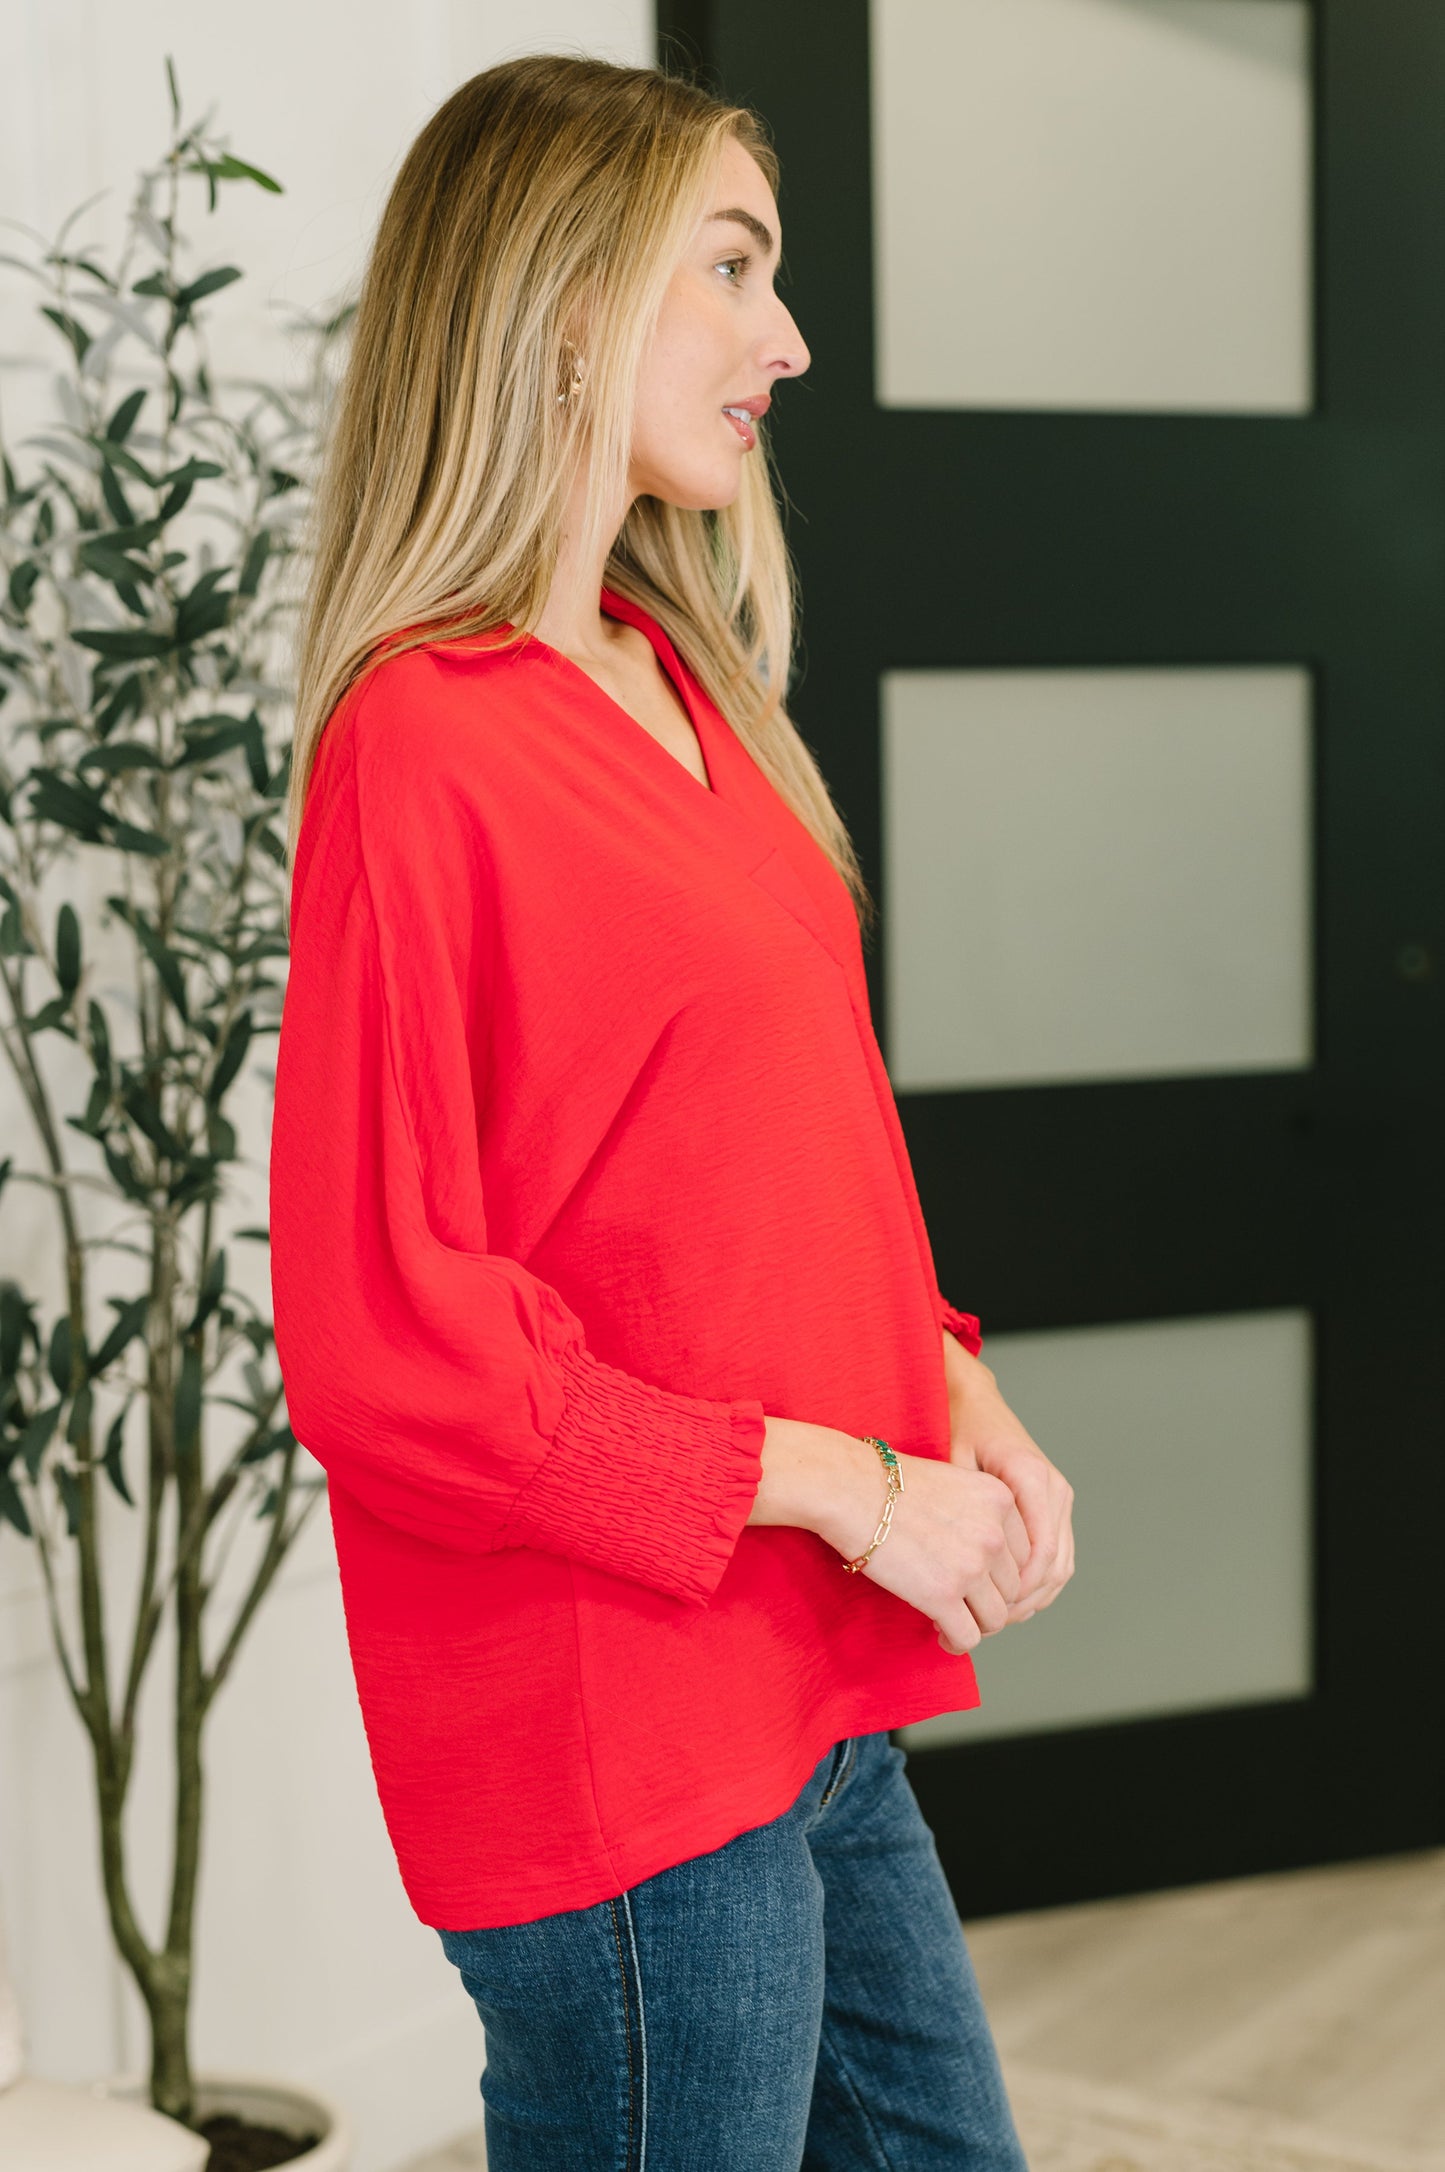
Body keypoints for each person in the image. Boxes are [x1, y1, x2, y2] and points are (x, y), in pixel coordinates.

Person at [269, 50, 1075, 2172]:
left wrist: (944, 1391)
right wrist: (846, 1480)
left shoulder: (688, 675)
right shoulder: (420, 750)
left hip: (804, 1674)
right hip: (612, 1728)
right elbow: (390, 1345)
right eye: (731, 266)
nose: (787, 339)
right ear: (559, 297)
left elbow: (756, 1170)